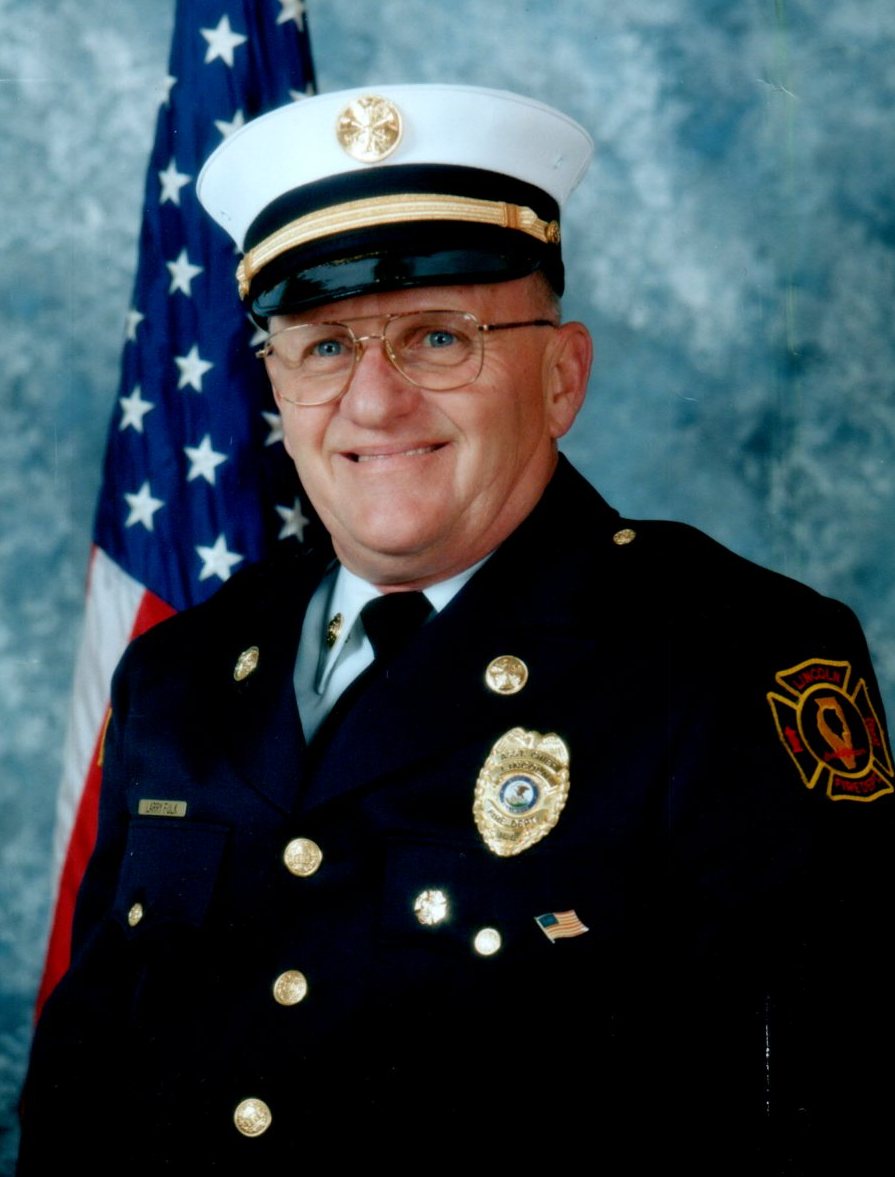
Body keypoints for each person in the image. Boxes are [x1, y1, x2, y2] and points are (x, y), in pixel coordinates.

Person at [18, 84, 894, 1173]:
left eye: (438, 337)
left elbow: (835, 1105)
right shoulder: (178, 674)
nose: (373, 402)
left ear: (562, 377)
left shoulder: (725, 658)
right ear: (273, 382)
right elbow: (79, 1095)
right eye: (323, 346)